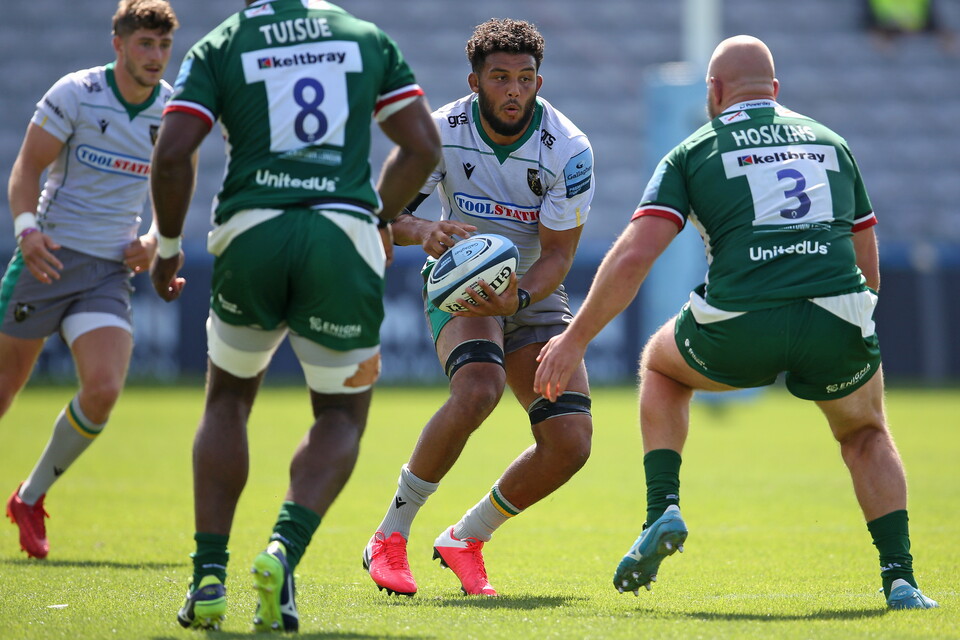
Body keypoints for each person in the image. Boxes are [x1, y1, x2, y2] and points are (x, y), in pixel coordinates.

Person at [534, 35, 938, 611]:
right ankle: (901, 580)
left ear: (715, 91)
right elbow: (866, 266)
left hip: (740, 323)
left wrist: (574, 340)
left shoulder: (693, 152)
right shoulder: (831, 142)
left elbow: (634, 256)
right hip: (836, 316)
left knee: (661, 367)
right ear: (775, 89)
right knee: (866, 434)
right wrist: (847, 330)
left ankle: (662, 508)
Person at [148, 0, 440, 632]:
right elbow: (422, 147)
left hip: (251, 231)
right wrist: (375, 216)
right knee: (340, 416)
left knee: (227, 401)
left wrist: (167, 246)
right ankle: (283, 550)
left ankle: (207, 580)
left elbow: (172, 155)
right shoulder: (364, 36)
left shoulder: (222, 43)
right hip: (340, 235)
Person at [362, 18, 595, 598]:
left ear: (539, 81)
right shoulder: (438, 132)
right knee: (478, 390)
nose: (514, 90)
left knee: (570, 442)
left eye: (525, 78)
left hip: (532, 288)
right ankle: (390, 535)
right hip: (461, 285)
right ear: (475, 81)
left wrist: (519, 296)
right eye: (500, 77)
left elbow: (559, 253)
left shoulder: (569, 149)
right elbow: (386, 215)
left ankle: (465, 538)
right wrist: (425, 230)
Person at [2, 0, 178, 561]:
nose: (155, 55)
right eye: (145, 43)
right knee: (3, 392)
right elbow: (27, 169)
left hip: (107, 271)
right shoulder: (75, 93)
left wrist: (154, 239)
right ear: (118, 44)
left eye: (163, 45)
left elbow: (173, 185)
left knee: (102, 390)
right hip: (48, 258)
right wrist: (27, 231)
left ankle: (30, 498)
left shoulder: (170, 108)